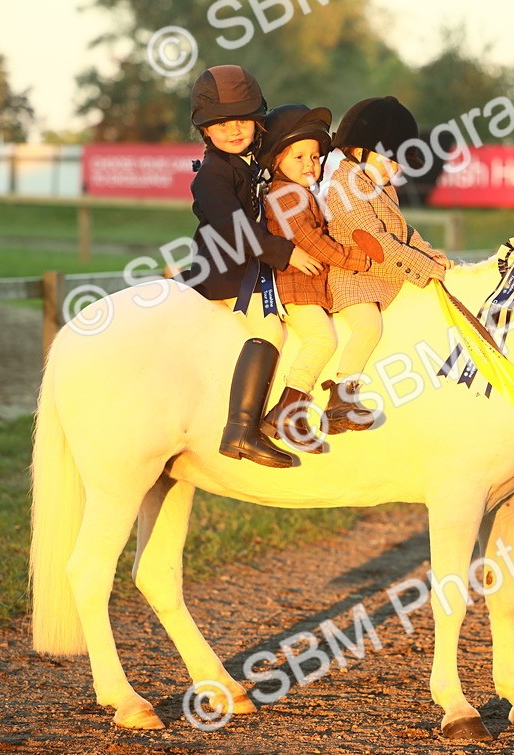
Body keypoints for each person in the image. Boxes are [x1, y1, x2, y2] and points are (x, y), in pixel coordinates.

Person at [176, 65, 323, 468]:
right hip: (224, 272)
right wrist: (287, 253)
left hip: (249, 268)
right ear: (205, 130)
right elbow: (237, 231)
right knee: (269, 329)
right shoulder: (211, 175)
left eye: (243, 120)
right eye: (222, 124)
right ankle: (241, 429)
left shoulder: (244, 162)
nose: (235, 129)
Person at [320, 96, 454, 426]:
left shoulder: (379, 186)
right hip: (353, 278)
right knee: (368, 327)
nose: (396, 169)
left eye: (399, 163)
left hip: (381, 277)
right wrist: (427, 269)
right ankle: (341, 398)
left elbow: (401, 232)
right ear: (359, 149)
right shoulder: (342, 187)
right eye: (390, 160)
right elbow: (378, 246)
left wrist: (430, 254)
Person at [257, 103, 371, 452]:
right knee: (322, 341)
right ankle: (285, 410)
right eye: (299, 157)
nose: (310, 164)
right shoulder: (284, 194)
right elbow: (311, 241)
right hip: (295, 289)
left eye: (316, 156)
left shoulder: (302, 192)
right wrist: (354, 259)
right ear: (277, 162)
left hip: (309, 288)